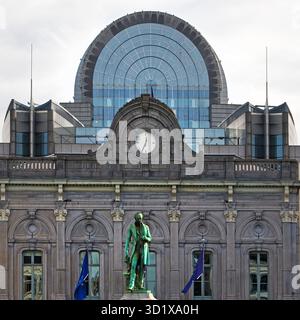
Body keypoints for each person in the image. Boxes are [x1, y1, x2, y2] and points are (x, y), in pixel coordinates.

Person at [125, 212, 152, 291]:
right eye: (138, 218)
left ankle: (140, 284)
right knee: (133, 265)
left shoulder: (146, 227)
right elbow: (128, 240)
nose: (139, 220)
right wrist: (126, 250)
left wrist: (145, 238)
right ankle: (131, 284)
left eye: (140, 218)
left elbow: (150, 238)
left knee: (141, 268)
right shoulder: (132, 227)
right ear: (135, 219)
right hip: (135, 249)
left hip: (143, 249)